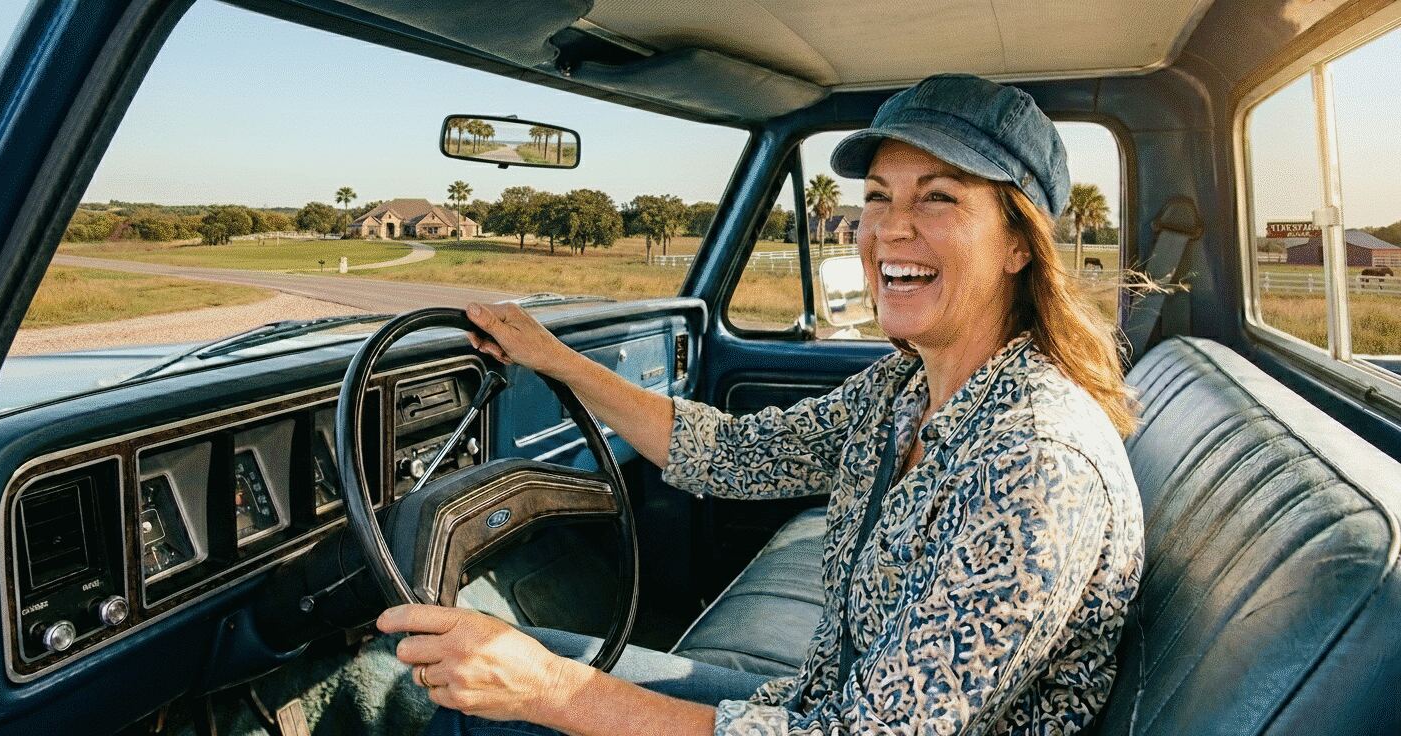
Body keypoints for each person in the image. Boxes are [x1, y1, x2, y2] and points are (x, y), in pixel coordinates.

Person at [376, 73, 1144, 735]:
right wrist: (556, 361)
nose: (891, 228)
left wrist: (550, 691)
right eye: (878, 197)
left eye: (938, 197)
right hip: (810, 703)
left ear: (1020, 244)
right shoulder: (904, 388)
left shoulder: (1034, 463)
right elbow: (731, 454)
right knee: (464, 674)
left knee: (457, 692)